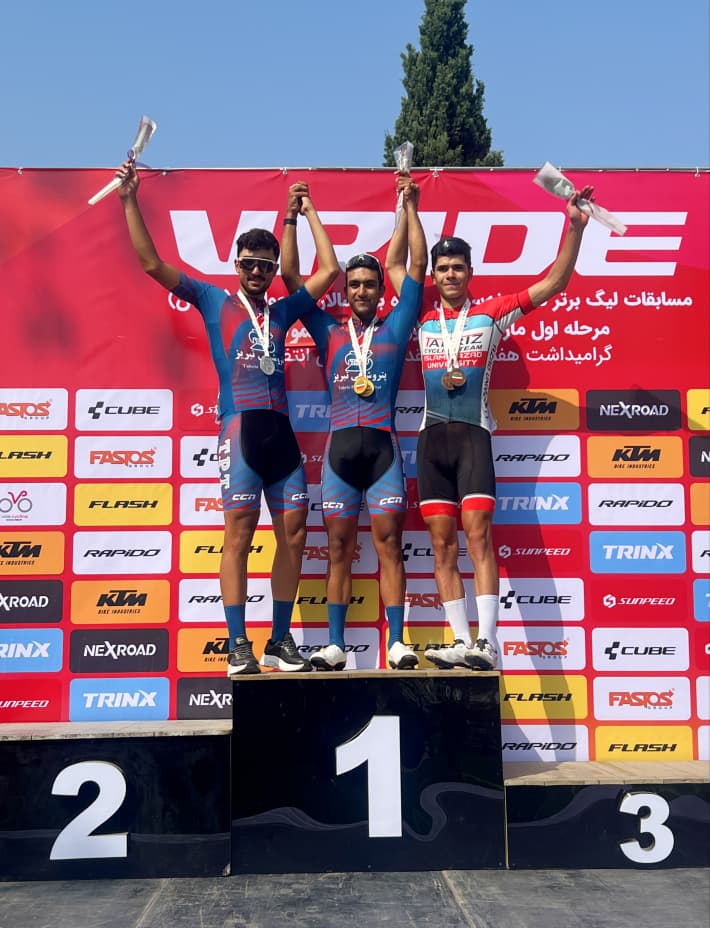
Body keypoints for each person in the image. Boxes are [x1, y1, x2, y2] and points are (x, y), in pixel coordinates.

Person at [115, 163, 339, 676]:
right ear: (236, 264)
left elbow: (328, 270)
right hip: (240, 432)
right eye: (250, 264)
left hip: (280, 433)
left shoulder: (281, 311)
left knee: (295, 535)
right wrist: (129, 199)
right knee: (239, 535)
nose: (257, 272)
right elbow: (150, 263)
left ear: (273, 268)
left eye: (265, 265)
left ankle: (279, 640)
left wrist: (303, 213)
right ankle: (238, 644)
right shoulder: (213, 299)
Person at [418, 185, 595, 671]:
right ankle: (460, 640)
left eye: (458, 268)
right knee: (441, 544)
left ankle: (488, 642)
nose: (450, 275)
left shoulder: (493, 313)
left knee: (478, 537)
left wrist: (574, 228)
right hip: (430, 440)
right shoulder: (420, 318)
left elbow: (554, 283)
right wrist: (406, 204)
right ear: (433, 275)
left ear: (470, 273)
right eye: (442, 268)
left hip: (474, 436)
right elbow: (396, 266)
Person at [281, 176, 427, 670]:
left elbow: (416, 265)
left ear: (382, 291)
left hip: (384, 452)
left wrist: (409, 207)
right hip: (340, 456)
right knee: (338, 548)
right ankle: (336, 644)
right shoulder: (327, 330)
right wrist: (302, 213)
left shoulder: (397, 325)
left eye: (370, 284)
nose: (362, 290)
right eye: (355, 284)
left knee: (390, 546)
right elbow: (291, 276)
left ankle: (397, 643)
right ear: (346, 291)